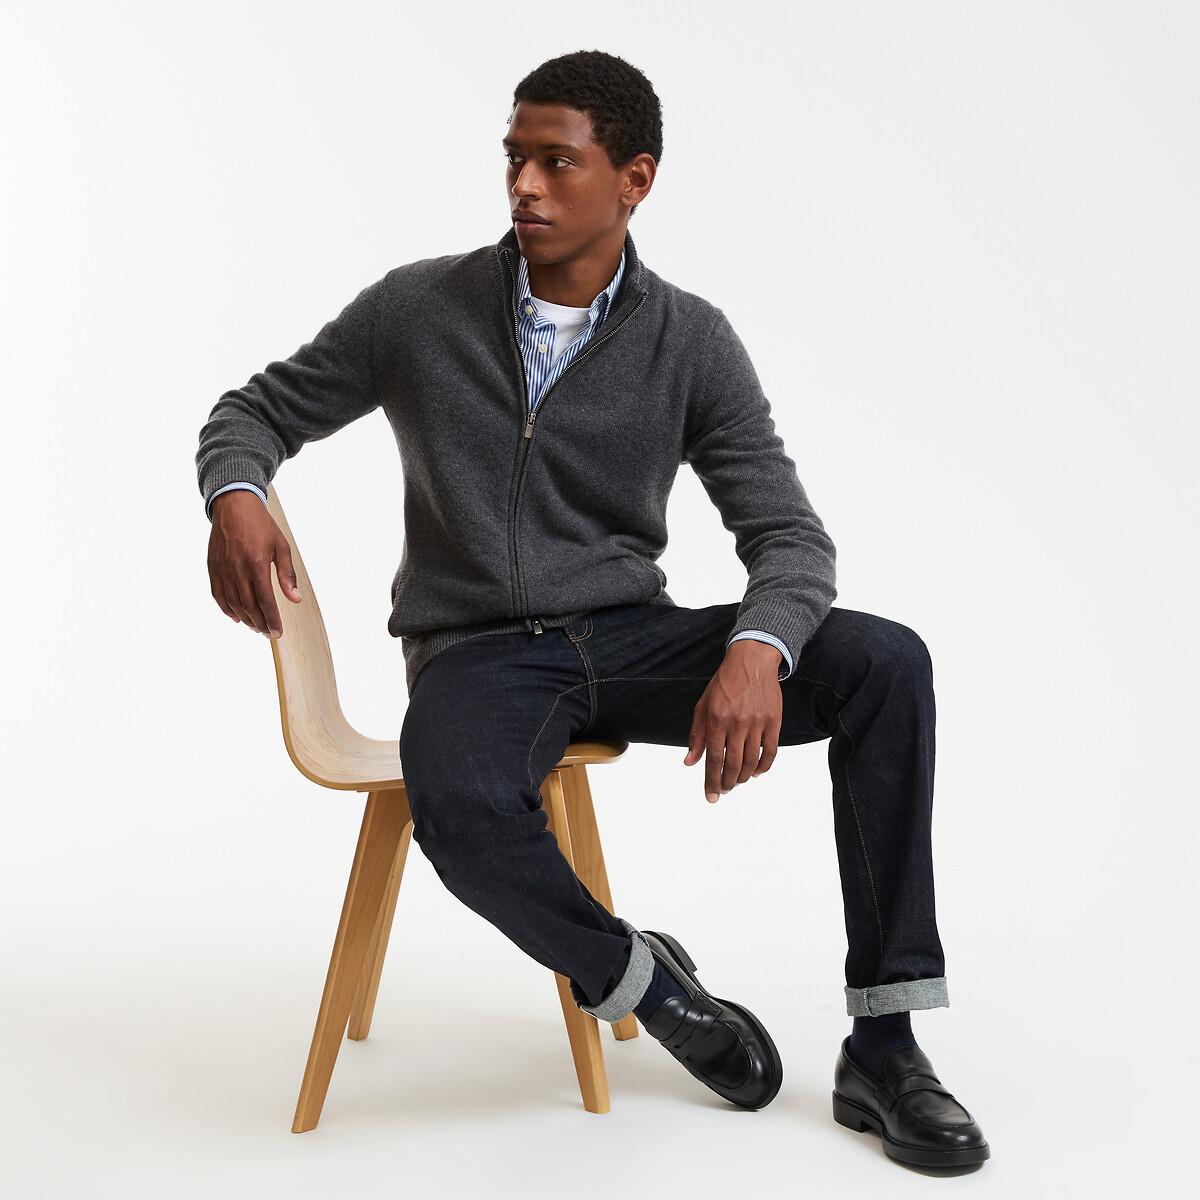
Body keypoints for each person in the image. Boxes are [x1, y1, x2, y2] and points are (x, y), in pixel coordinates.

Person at [196, 49, 989, 1167]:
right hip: (476, 653)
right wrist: (235, 492)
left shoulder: (690, 341)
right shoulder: (418, 309)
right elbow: (252, 411)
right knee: (460, 800)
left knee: (886, 664)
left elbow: (789, 537)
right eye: (514, 158)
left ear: (634, 179)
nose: (524, 184)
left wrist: (757, 649)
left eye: (557, 162)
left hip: (628, 637)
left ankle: (887, 1047)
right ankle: (644, 983)